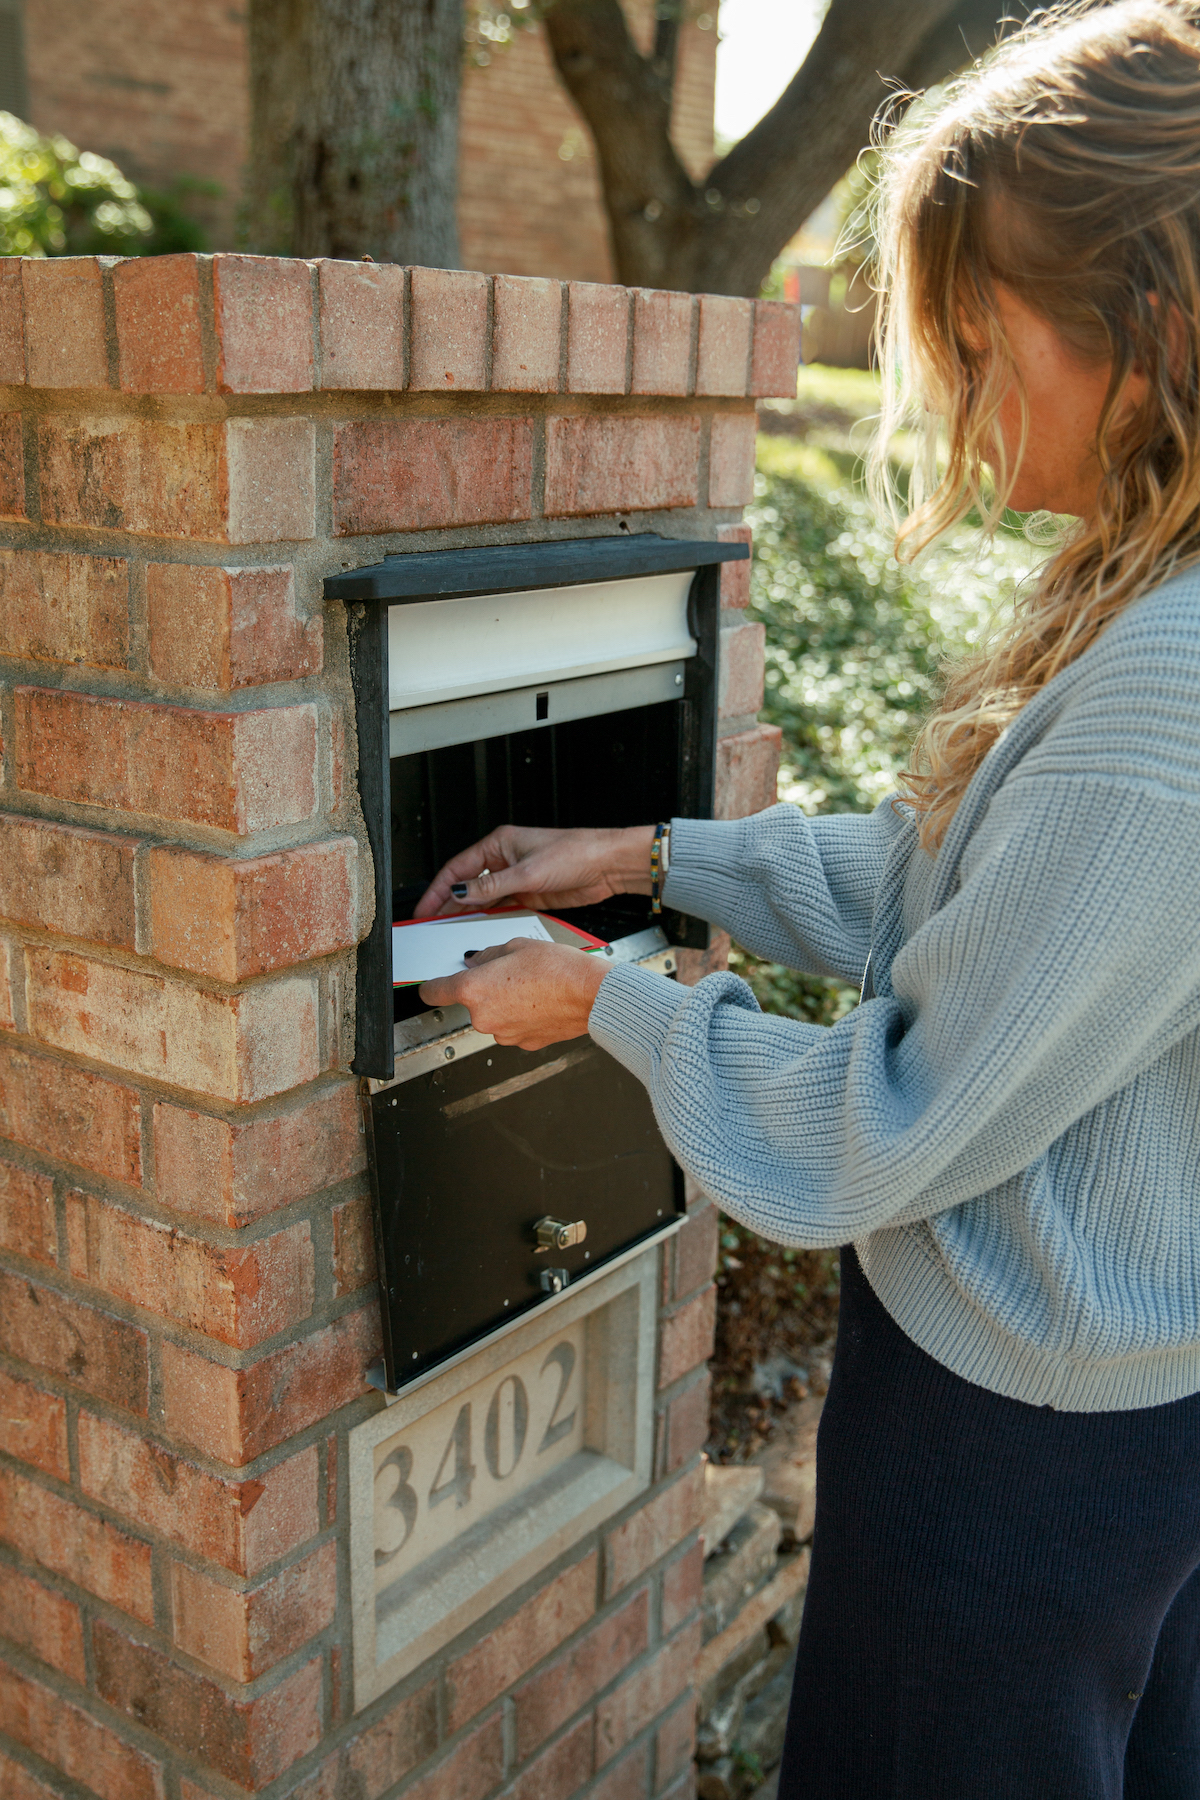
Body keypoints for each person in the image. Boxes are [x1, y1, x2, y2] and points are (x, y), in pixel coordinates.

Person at [415, 4, 1200, 1792]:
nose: (968, 415)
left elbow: (888, 1128)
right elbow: (971, 898)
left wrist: (600, 1000)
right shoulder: (1162, 612)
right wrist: (653, 862)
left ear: (1150, 325)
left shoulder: (1171, 692)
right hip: (1130, 1413)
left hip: (1021, 1456)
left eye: (982, 347)